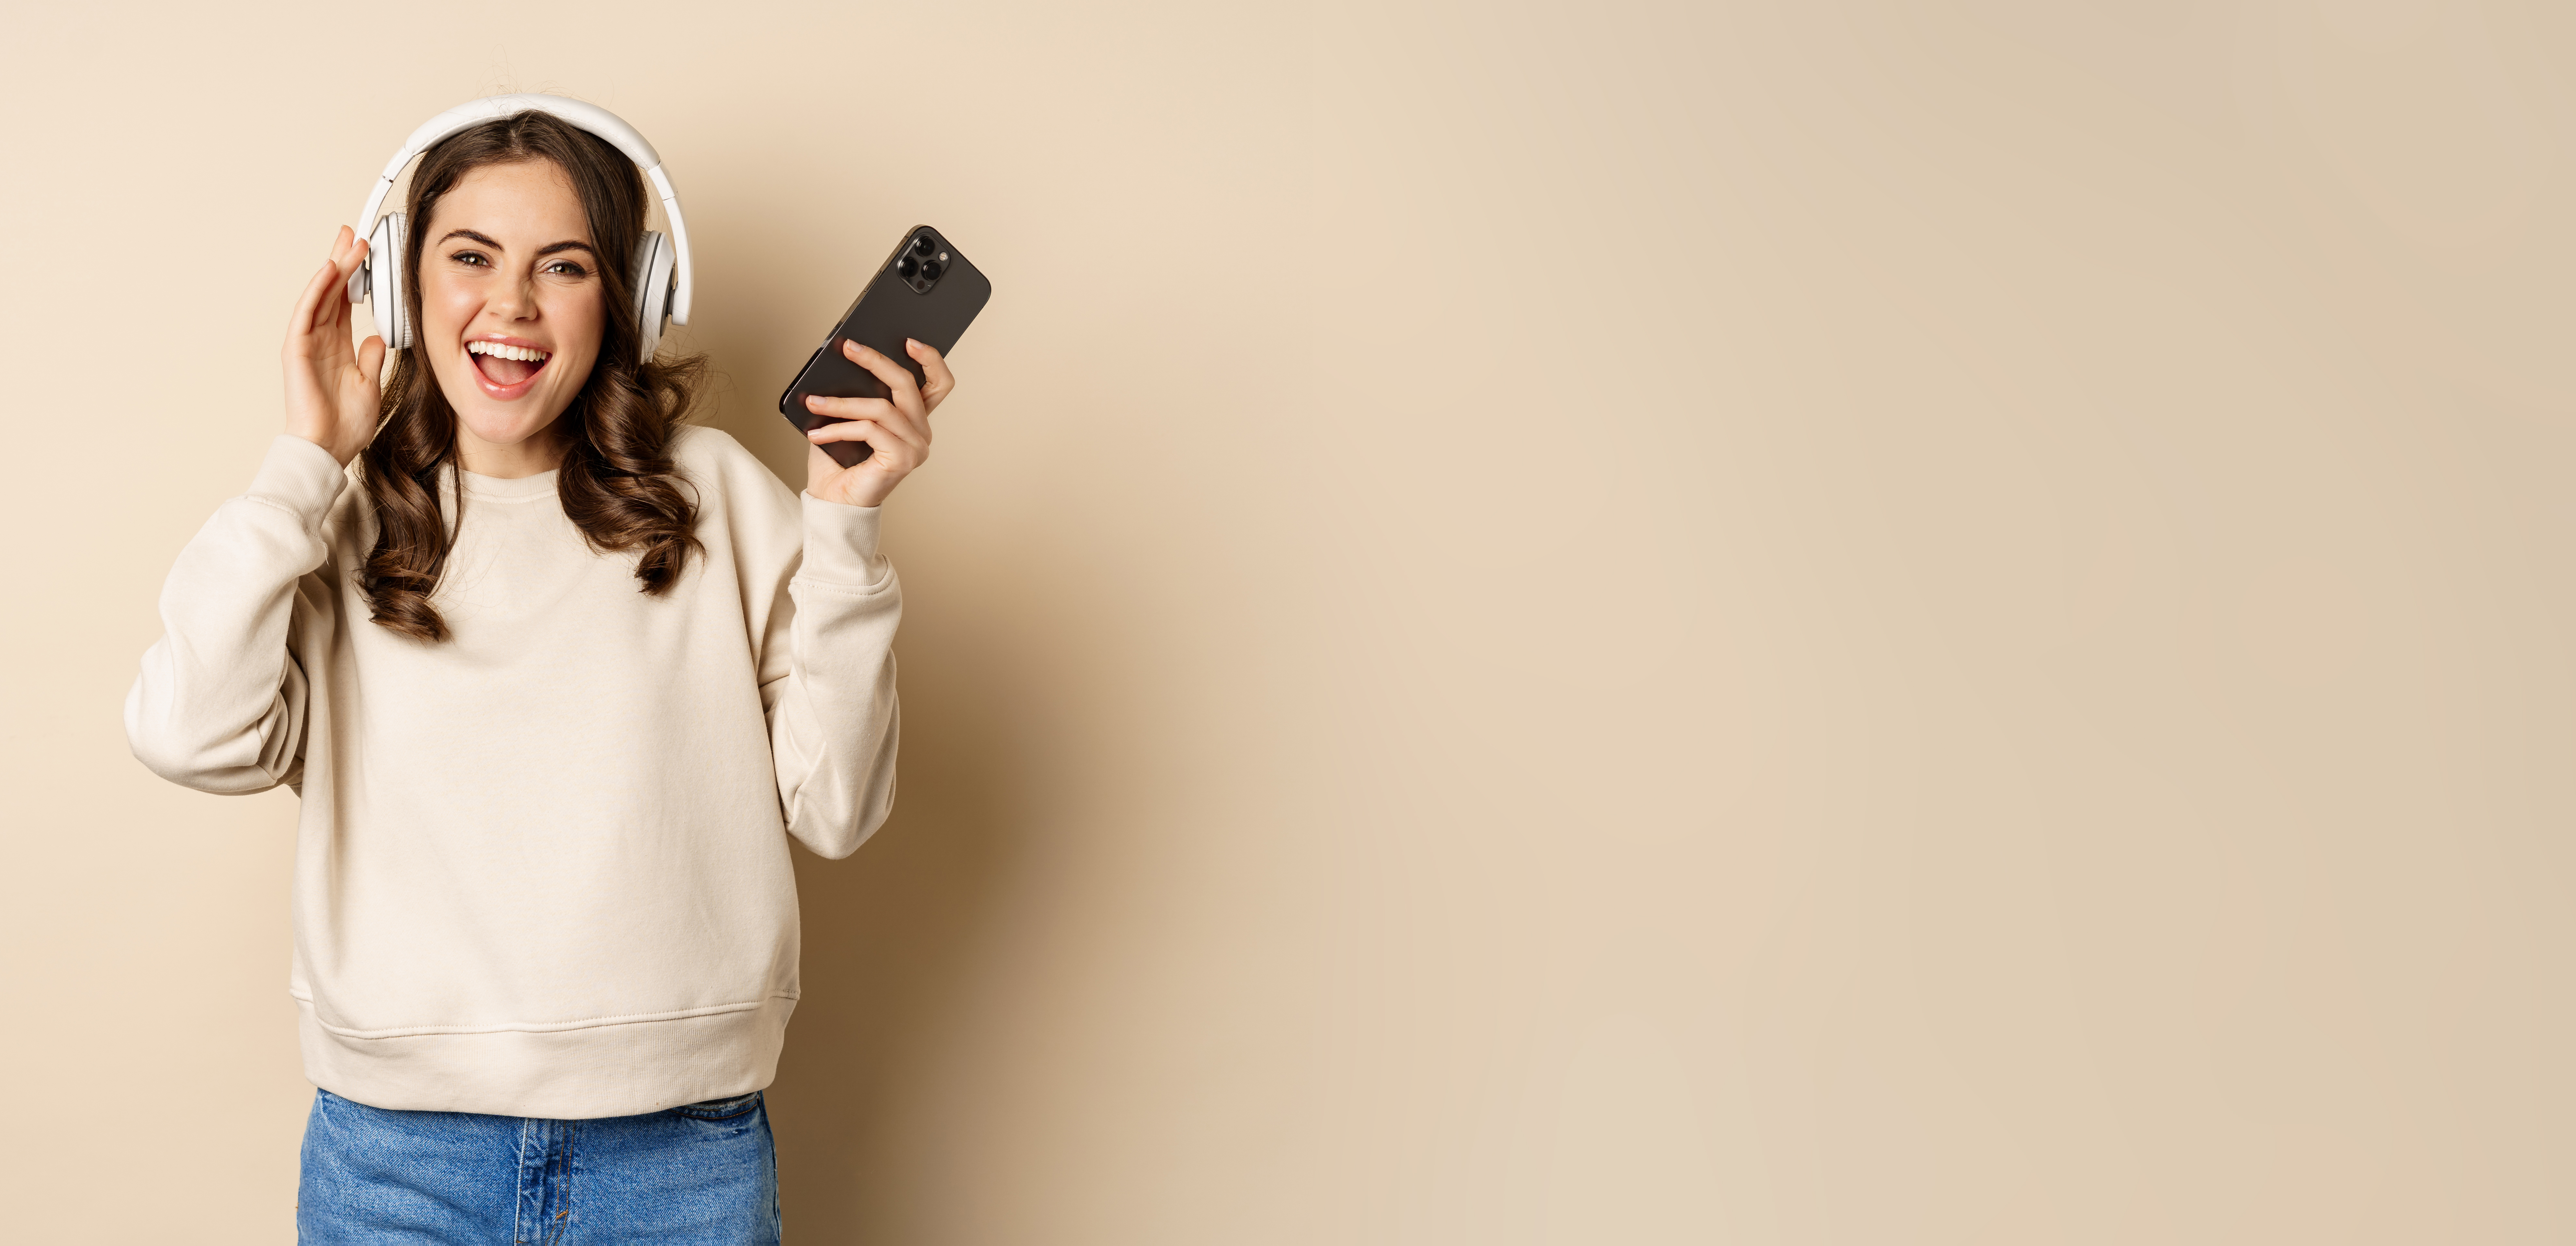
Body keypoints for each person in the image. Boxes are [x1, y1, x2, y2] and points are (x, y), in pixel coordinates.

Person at [123, 102, 948, 1243]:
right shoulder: (337, 516)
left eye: (561, 266)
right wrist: (303, 459)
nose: (509, 304)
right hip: (395, 1157)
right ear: (403, 290)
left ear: (631, 295)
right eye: (469, 257)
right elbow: (185, 732)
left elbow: (841, 807)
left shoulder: (715, 494)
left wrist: (846, 530)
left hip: (679, 1161)